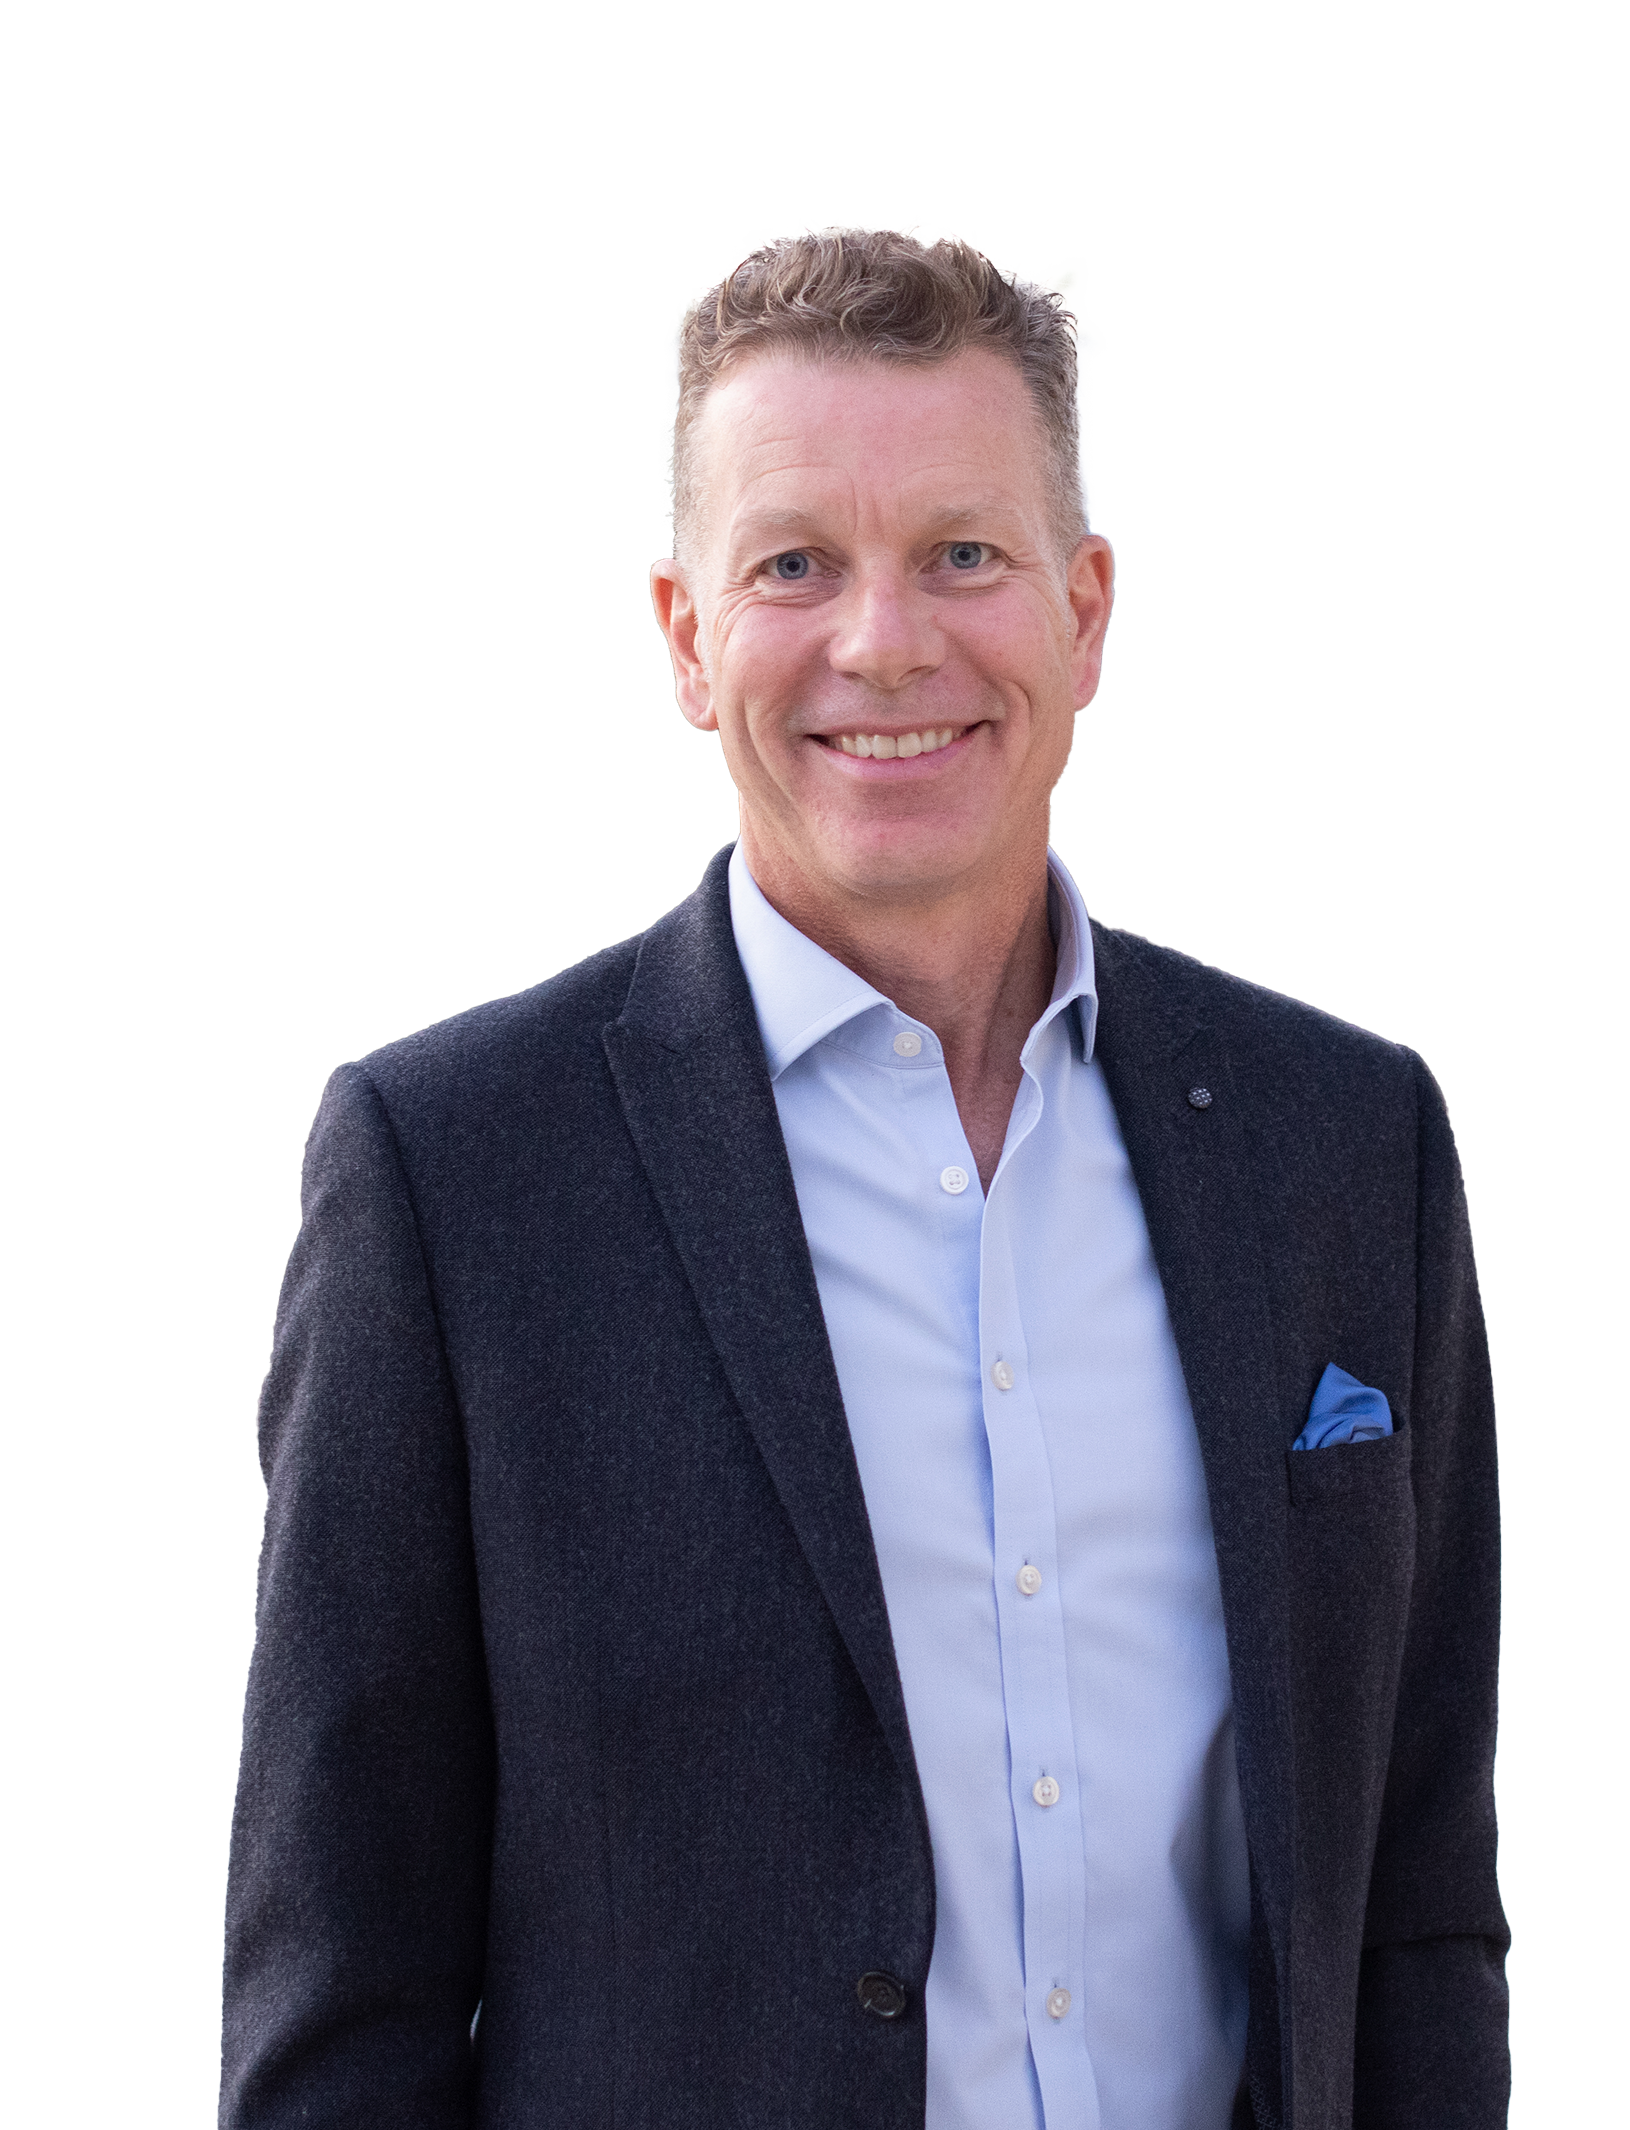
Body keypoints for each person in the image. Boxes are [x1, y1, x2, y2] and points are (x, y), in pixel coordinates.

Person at [220, 227, 1509, 2130]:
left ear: (1081, 611)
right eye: (794, 564)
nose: (884, 641)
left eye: (962, 554)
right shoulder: (452, 1173)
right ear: (688, 636)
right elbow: (341, 2007)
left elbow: (1416, 1906)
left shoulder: (1345, 1141)